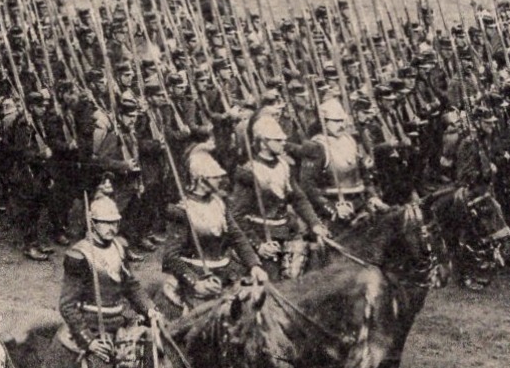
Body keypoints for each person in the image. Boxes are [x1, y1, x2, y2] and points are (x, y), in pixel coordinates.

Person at [59, 193, 164, 368]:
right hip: (92, 326)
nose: (112, 228)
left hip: (119, 322)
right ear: (92, 223)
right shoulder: (79, 256)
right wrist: (89, 341)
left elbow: (131, 285)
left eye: (115, 223)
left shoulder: (119, 247)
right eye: (105, 223)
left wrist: (150, 309)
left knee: (153, 360)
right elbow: (67, 305)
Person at [163, 142, 268, 310]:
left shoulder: (219, 203)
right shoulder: (182, 211)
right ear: (200, 180)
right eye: (215, 177)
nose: (221, 179)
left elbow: (237, 237)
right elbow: (171, 256)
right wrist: (195, 282)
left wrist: (254, 264)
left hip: (227, 272)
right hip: (197, 275)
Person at [230, 116, 326, 280]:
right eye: (278, 140)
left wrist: (315, 223)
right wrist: (258, 245)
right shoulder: (249, 171)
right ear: (263, 142)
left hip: (287, 232)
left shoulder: (284, 165)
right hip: (263, 237)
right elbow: (237, 215)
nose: (284, 143)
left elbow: (298, 199)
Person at [295, 97, 385, 226]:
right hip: (333, 209)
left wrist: (372, 195)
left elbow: (363, 173)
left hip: (359, 204)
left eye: (342, 121)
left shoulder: (349, 140)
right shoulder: (317, 147)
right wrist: (332, 207)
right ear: (324, 122)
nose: (341, 125)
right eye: (336, 122)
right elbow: (308, 186)